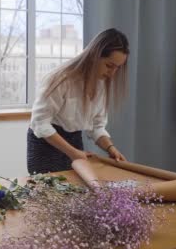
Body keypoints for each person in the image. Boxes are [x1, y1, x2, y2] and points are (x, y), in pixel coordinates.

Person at [27, 28, 129, 174]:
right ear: (94, 56)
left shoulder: (101, 84)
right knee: (48, 191)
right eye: (109, 65)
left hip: (74, 142)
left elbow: (96, 127)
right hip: (45, 143)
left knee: (74, 191)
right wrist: (72, 152)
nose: (112, 74)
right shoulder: (60, 79)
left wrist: (110, 148)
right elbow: (40, 123)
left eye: (117, 68)